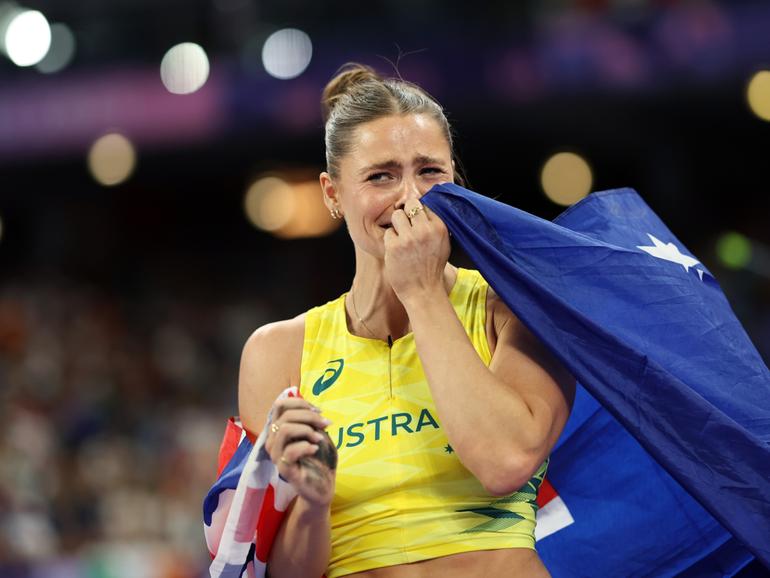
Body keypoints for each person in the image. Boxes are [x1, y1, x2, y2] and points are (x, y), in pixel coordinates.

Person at [237, 63, 576, 578]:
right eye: (381, 176)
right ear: (332, 193)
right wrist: (312, 502)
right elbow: (283, 572)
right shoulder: (276, 352)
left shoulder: (515, 308)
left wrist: (421, 291)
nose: (410, 197)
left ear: (456, 181)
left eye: (429, 171)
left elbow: (505, 461)